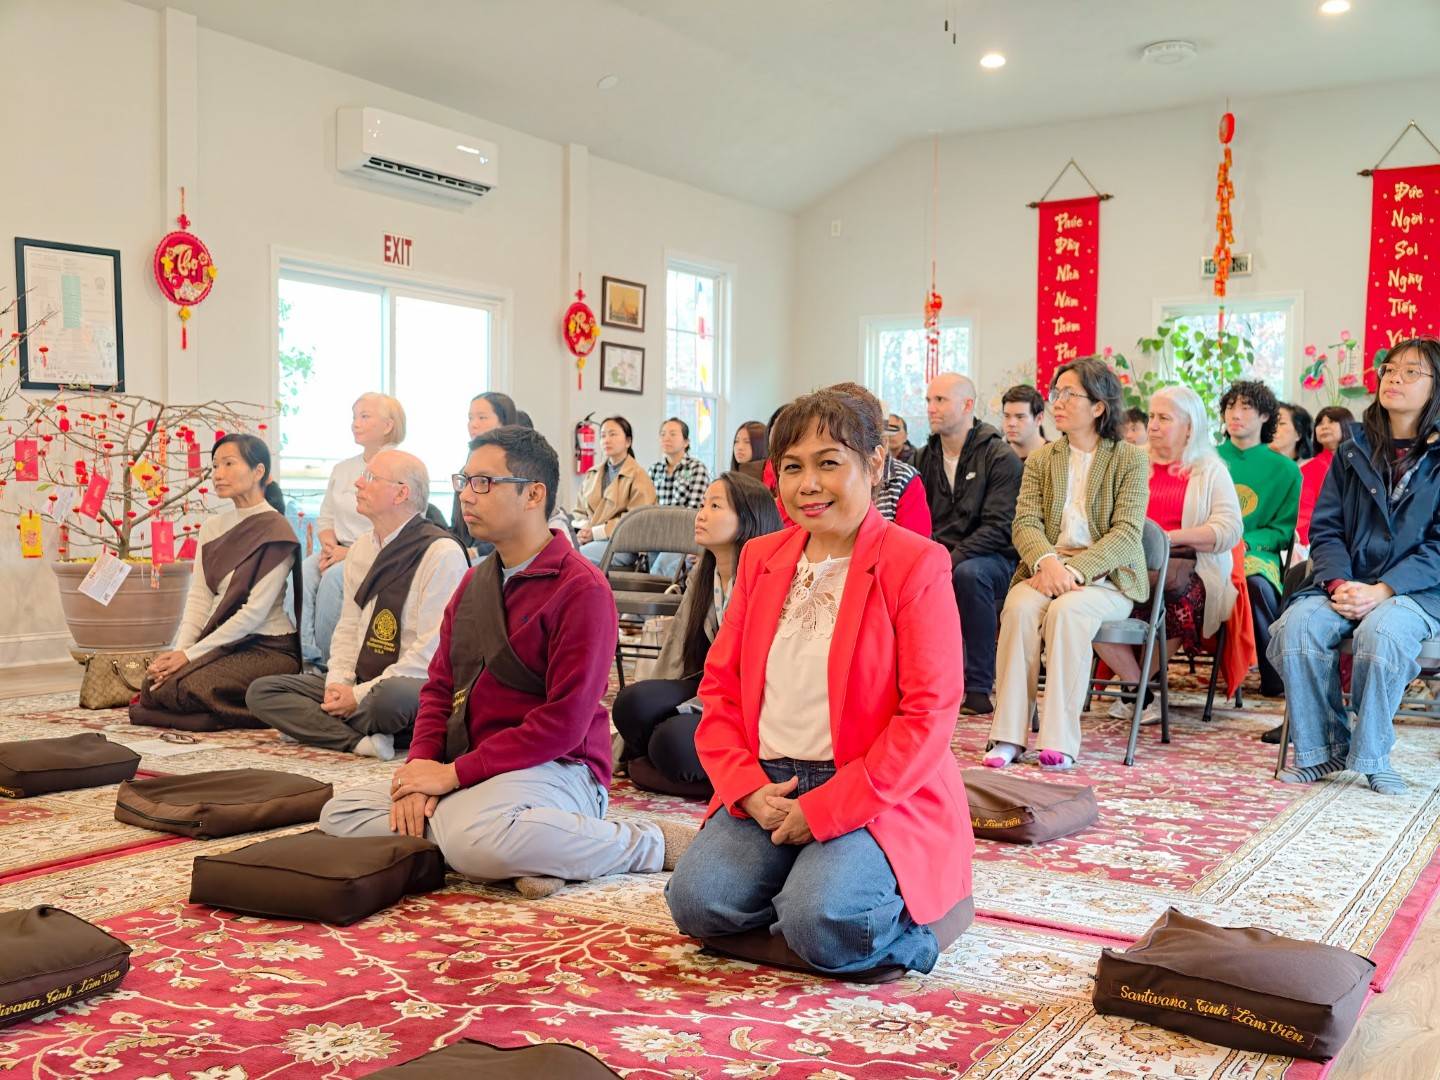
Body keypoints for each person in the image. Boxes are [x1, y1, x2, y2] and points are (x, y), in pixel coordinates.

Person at [665, 383, 972, 975]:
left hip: (873, 790)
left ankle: (920, 925)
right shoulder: (761, 558)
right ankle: (803, 885)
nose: (808, 484)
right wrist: (745, 788)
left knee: (822, 921)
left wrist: (829, 808)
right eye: (792, 467)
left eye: (829, 463)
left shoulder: (915, 562)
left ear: (874, 465)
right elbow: (720, 689)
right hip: (770, 783)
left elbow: (928, 713)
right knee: (696, 903)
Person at [319, 426, 694, 895]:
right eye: (464, 481)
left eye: (483, 483)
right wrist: (420, 772)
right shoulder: (473, 582)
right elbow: (438, 690)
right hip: (473, 770)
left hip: (558, 770)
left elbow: (564, 724)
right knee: (341, 813)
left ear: (533, 494)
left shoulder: (581, 588)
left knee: (470, 837)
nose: (465, 496)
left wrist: (452, 777)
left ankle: (648, 843)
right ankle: (533, 847)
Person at [1269, 338, 1440, 796]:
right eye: (1390, 369)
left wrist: (1384, 590)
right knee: (1297, 627)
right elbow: (1326, 528)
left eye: (1411, 372)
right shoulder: (1353, 449)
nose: (1395, 378)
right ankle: (1323, 750)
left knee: (1382, 634)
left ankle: (1372, 755)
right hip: (1346, 582)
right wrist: (1340, 583)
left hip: (1417, 592)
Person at [247, 450, 470, 759]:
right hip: (363, 680)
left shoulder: (441, 553)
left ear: (401, 493)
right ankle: (359, 741)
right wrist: (338, 684)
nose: (358, 483)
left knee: (389, 700)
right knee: (262, 692)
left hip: (410, 686)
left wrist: (357, 695)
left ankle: (317, 726)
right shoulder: (363, 547)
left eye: (370, 478)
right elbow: (349, 626)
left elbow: (431, 654)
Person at [983, 357, 1149, 771]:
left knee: (1068, 611)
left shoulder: (1129, 459)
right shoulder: (1042, 459)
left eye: (1069, 394)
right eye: (1055, 393)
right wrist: (1048, 562)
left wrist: (1074, 571)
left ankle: (1059, 740)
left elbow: (1127, 533)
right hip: (1047, 569)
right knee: (1019, 608)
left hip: (1107, 577)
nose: (1056, 402)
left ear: (1098, 406)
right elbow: (1025, 522)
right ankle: (1007, 737)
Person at [612, 471, 782, 795]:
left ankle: (732, 783)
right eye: (703, 504)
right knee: (632, 703)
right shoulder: (705, 574)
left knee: (670, 742)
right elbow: (677, 649)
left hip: (750, 702)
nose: (700, 515)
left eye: (715, 506)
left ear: (747, 519)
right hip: (708, 684)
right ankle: (665, 766)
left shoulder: (769, 578)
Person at [130, 435, 303, 731]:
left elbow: (254, 613)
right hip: (224, 642)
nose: (218, 474)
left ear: (258, 471)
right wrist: (179, 652)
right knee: (154, 687)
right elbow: (199, 597)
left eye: (228, 464)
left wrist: (189, 656)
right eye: (215, 466)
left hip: (268, 647)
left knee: (191, 688)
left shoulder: (277, 530)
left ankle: (232, 714)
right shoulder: (213, 527)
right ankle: (208, 717)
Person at [1093, 387, 1243, 724]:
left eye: (1164, 418)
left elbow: (1229, 528)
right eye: (1151, 417)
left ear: (1189, 427)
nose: (1153, 425)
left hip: (1188, 566)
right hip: (1125, 563)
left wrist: (1166, 538)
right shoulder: (1131, 461)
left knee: (1176, 601)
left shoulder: (1209, 469)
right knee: (1084, 601)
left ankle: (1137, 686)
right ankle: (1138, 688)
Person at [913, 373, 1023, 715]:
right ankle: (920, 685)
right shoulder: (922, 458)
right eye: (929, 400)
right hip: (942, 556)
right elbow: (919, 521)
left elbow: (1000, 528)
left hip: (995, 559)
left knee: (969, 574)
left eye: (940, 400)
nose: (931, 408)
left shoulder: (999, 456)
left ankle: (978, 687)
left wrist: (949, 559)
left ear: (967, 405)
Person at [302, 393, 404, 667]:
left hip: (378, 553)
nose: (355, 423)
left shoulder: (402, 468)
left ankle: (330, 664)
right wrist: (329, 547)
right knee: (303, 572)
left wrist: (348, 554)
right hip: (336, 548)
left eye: (364, 416)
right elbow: (326, 517)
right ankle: (306, 657)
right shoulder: (342, 468)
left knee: (333, 579)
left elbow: (399, 528)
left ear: (388, 425)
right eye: (354, 417)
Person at [1217, 380, 1300, 698]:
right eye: (1230, 407)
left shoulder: (1285, 470)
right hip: (1208, 549)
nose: (1235, 414)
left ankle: (1273, 673)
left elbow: (1283, 530)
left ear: (1265, 416)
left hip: (1255, 554)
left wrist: (1247, 541)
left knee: (1256, 585)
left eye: (1245, 408)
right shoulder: (1206, 460)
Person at [574, 416, 657, 565]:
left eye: (613, 434)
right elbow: (579, 511)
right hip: (590, 541)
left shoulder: (639, 476)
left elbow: (637, 520)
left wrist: (596, 532)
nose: (606, 440)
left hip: (622, 545)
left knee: (575, 557)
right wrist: (584, 528)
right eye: (603, 435)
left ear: (628, 441)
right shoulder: (592, 474)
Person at [449, 392, 519, 558]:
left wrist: (477, 552)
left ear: (503, 422)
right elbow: (457, 526)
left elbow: (515, 528)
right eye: (470, 418)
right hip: (465, 554)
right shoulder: (464, 470)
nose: (473, 424)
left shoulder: (516, 467)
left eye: (482, 417)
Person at [647, 417, 712, 578]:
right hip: (656, 535)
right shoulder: (654, 469)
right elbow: (648, 507)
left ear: (686, 442)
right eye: (663, 434)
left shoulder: (696, 468)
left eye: (673, 434)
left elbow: (694, 511)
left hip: (683, 536)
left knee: (658, 573)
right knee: (649, 574)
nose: (666, 438)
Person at [1299, 405, 1356, 547]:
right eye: (1320, 423)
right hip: (1322, 541)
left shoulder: (1362, 465)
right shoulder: (1308, 468)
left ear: (1347, 425)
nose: (1324, 427)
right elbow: (1304, 514)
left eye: (1331, 421)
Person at [1001, 385, 1049, 461]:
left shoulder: (1057, 458)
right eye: (1007, 416)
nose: (1011, 423)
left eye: (1020, 417)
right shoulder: (996, 458)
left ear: (1039, 419)